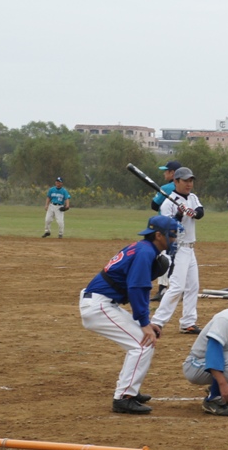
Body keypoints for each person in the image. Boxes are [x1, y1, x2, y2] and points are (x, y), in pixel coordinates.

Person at [79, 215, 181, 414]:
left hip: (101, 303)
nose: (174, 239)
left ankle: (130, 390)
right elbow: (136, 288)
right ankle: (124, 397)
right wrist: (144, 323)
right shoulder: (145, 253)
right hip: (98, 306)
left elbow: (137, 288)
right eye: (172, 235)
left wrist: (146, 322)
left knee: (143, 342)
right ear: (158, 235)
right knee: (141, 345)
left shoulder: (142, 248)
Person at [151, 167, 205, 334]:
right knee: (177, 287)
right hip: (177, 248)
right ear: (176, 181)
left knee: (193, 286)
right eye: (185, 181)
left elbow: (200, 213)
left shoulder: (193, 197)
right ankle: (157, 322)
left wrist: (193, 212)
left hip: (190, 247)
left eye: (191, 181)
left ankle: (188, 322)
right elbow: (168, 228)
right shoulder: (169, 203)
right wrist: (180, 215)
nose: (189, 184)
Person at [150, 161, 181, 301]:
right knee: (179, 259)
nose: (164, 173)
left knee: (164, 257)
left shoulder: (166, 187)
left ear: (173, 173)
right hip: (181, 227)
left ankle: (162, 289)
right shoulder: (185, 189)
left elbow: (153, 205)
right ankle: (179, 289)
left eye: (166, 171)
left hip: (164, 227)